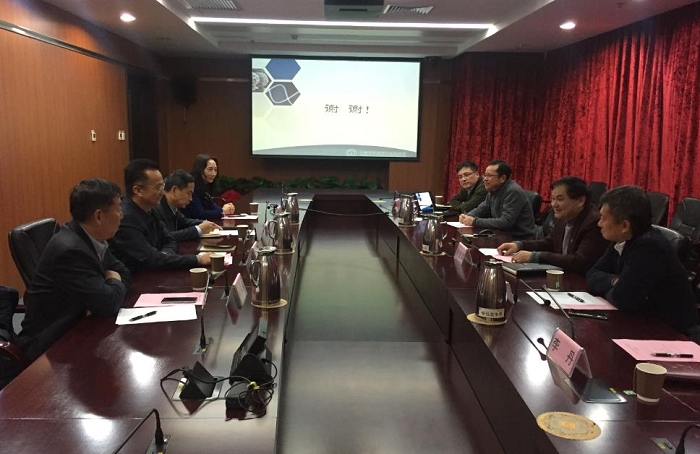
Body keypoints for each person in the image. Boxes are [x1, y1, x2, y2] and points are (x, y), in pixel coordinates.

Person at [20, 179, 132, 345]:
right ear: (99, 216)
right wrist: (113, 279)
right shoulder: (71, 251)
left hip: (81, 325)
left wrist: (111, 284)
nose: (122, 215)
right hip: (52, 342)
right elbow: (109, 304)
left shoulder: (91, 237)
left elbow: (125, 273)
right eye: (118, 209)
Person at [587, 186, 700, 340]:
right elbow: (592, 275)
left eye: (603, 218)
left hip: (671, 333)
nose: (599, 223)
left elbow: (623, 299)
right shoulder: (622, 237)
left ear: (624, 225)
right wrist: (615, 281)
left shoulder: (649, 246)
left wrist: (616, 286)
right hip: (642, 323)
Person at [109, 159, 211, 273]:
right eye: (158, 187)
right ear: (138, 190)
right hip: (137, 278)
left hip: (156, 272)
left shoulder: (152, 208)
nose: (162, 192)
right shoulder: (125, 218)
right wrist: (197, 260)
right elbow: (150, 259)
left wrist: (164, 256)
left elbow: (170, 240)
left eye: (162, 186)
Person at [496, 177, 608, 274]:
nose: (554, 204)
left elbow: (579, 261)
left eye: (559, 199)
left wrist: (535, 256)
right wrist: (519, 245)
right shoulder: (563, 216)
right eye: (553, 199)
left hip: (580, 282)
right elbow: (549, 243)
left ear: (580, 201)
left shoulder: (594, 223)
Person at [459, 159, 536, 239]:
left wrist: (474, 221)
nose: (485, 179)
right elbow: (482, 208)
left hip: (518, 238)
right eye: (485, 175)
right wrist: (467, 216)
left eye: (489, 175)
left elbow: (505, 222)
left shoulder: (513, 191)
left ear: (502, 178)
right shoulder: (493, 189)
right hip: (501, 234)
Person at [152, 169, 222, 242]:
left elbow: (185, 222)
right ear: (174, 190)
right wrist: (198, 229)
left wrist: (206, 223)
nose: (191, 199)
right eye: (189, 193)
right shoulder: (156, 209)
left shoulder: (172, 206)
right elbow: (166, 237)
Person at [181, 154, 235, 220]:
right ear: (200, 170)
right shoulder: (192, 186)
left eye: (215, 170)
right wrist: (222, 211)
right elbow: (200, 214)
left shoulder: (205, 186)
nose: (213, 173)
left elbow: (212, 206)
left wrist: (226, 209)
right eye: (210, 169)